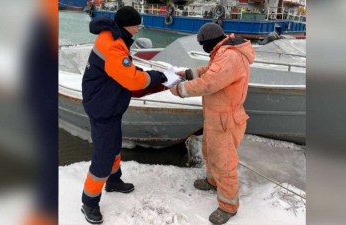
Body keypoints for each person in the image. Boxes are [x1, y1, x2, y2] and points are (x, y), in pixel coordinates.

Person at [80, 6, 167, 224]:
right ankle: (89, 203)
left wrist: (141, 76)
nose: (138, 29)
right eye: (137, 25)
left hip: (109, 104)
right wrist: (157, 76)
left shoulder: (114, 37)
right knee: (104, 156)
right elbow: (132, 80)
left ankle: (114, 181)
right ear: (128, 25)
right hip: (103, 107)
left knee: (114, 146)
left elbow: (123, 71)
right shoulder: (112, 46)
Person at [170, 23, 255, 224]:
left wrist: (180, 90)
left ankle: (228, 206)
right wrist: (188, 73)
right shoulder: (223, 51)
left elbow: (210, 82)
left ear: (210, 42)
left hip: (226, 119)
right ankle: (212, 181)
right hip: (216, 116)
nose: (202, 49)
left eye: (203, 45)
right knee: (210, 152)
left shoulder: (230, 55)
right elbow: (210, 71)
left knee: (224, 162)